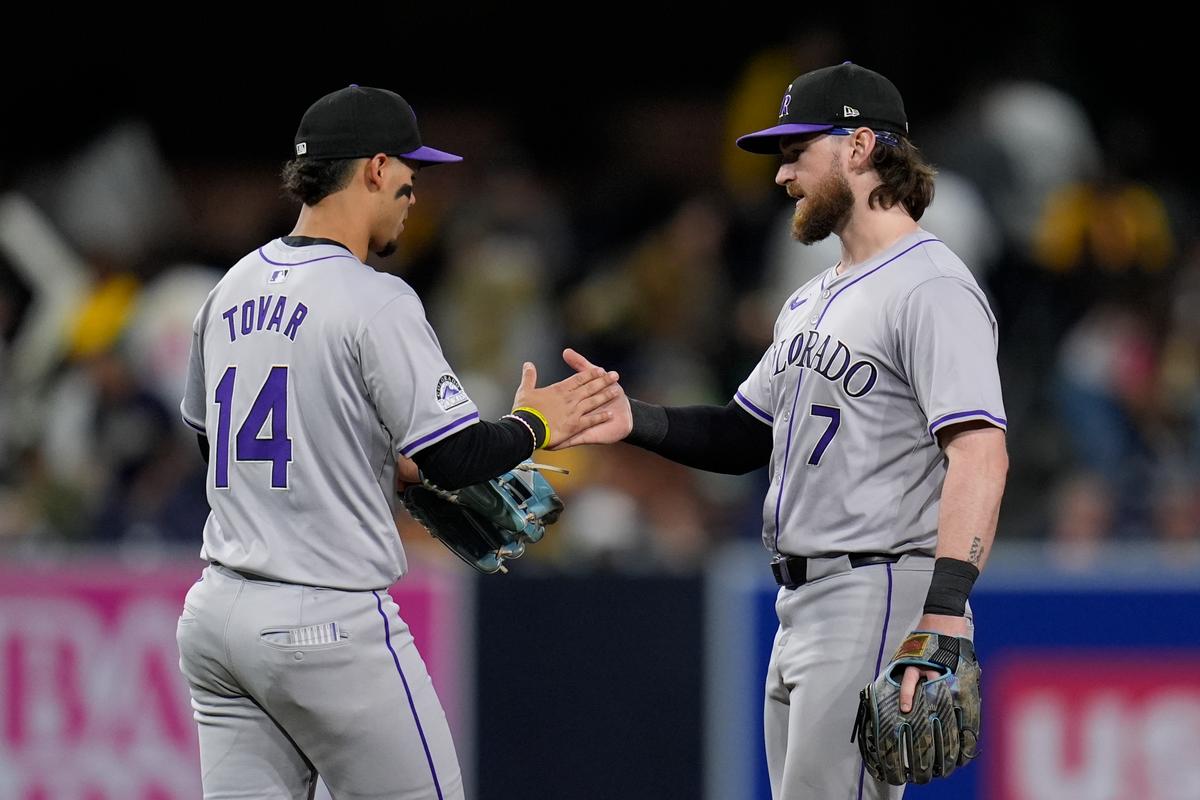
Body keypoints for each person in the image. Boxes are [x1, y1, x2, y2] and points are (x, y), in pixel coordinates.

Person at [556, 62, 1008, 798]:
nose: (782, 174)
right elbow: (743, 435)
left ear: (860, 147)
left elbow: (980, 452)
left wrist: (945, 612)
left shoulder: (932, 286)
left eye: (798, 151)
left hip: (878, 585)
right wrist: (630, 418)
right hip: (804, 601)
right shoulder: (809, 300)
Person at [175, 84, 619, 800]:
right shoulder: (375, 297)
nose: (416, 194)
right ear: (375, 167)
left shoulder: (229, 285)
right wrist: (538, 423)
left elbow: (212, 443)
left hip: (217, 620)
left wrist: (379, 466)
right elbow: (458, 457)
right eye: (410, 177)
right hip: (325, 623)